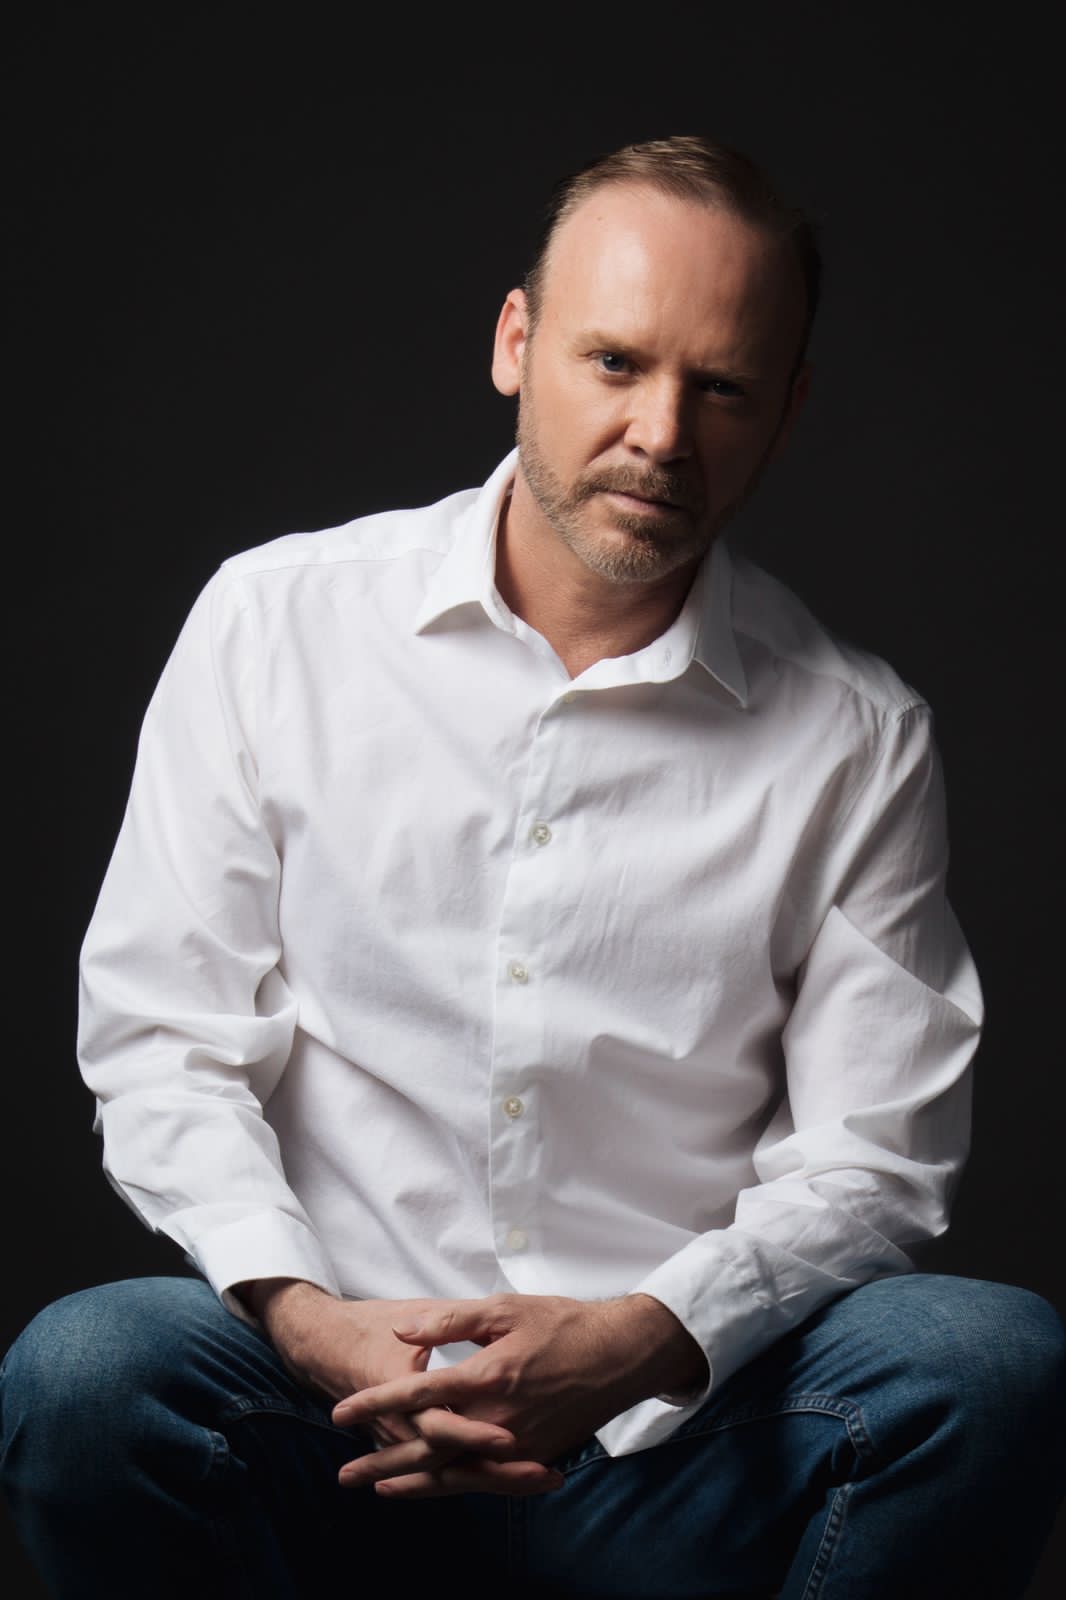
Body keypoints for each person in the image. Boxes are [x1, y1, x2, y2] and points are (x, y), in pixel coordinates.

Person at [2, 134, 1064, 1599]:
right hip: (321, 1416)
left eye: (723, 388)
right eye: (615, 361)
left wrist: (636, 1339)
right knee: (85, 1373)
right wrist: (315, 1326)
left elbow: (874, 1157)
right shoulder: (272, 623)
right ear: (516, 343)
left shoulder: (856, 735)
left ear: (787, 412)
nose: (661, 434)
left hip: (669, 1447)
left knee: (986, 1362)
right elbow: (161, 1038)